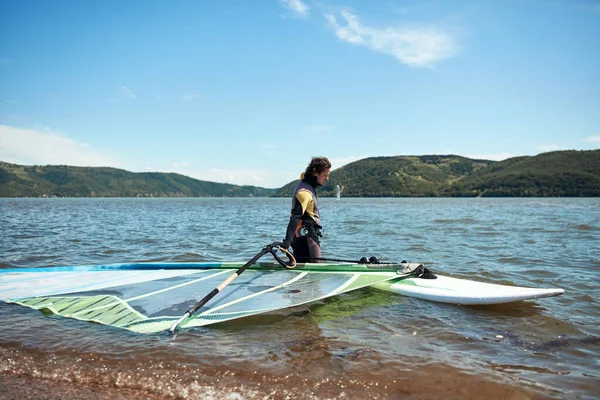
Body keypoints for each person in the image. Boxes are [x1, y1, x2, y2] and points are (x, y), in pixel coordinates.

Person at [282, 157, 331, 263]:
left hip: (299, 237)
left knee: (299, 269)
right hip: (308, 238)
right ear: (315, 173)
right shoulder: (304, 193)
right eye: (325, 175)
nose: (327, 178)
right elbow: (295, 217)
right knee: (315, 271)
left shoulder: (305, 180)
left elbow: (304, 175)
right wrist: (287, 242)